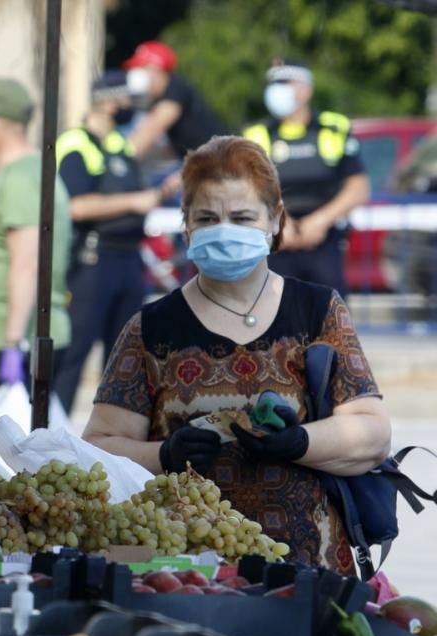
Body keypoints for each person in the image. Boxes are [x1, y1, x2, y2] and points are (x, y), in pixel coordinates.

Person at [83, 136, 391, 574]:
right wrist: (165, 455)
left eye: (243, 217)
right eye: (208, 217)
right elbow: (98, 448)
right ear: (185, 225)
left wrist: (300, 441)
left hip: (308, 575)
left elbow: (373, 434)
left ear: (275, 220)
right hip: (182, 575)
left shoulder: (318, 311)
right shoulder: (150, 328)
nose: (225, 230)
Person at [0, 78, 72, 413]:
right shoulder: (36, 171)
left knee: (2, 453)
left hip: (11, 335)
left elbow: (27, 263)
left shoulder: (21, 178)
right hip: (26, 333)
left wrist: (12, 344)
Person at [53, 71, 167, 415]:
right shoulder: (76, 145)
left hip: (129, 261)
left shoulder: (120, 146)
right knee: (73, 355)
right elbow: (76, 205)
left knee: (127, 359)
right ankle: (51, 435)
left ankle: (114, 434)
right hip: (92, 261)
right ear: (107, 101)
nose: (132, 108)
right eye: (127, 101)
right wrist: (134, 202)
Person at [243, 59, 370, 297]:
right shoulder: (256, 134)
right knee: (276, 323)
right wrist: (282, 224)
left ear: (306, 89)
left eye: (284, 82)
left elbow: (358, 187)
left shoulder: (333, 128)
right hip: (276, 241)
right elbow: (247, 191)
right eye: (272, 83)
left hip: (324, 239)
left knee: (330, 323)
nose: (275, 90)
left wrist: (319, 221)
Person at [123, 40, 226, 160]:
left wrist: (121, 159)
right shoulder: (161, 96)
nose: (134, 74)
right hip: (203, 163)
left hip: (219, 163)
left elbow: (152, 127)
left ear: (156, 69)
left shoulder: (174, 89)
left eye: (140, 68)